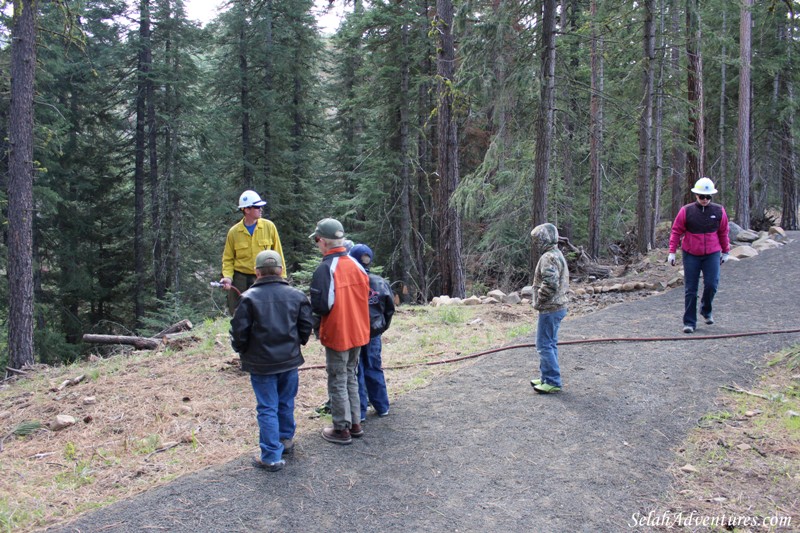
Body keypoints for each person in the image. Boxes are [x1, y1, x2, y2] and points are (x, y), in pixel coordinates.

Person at [230, 250, 313, 472]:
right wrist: (297, 344)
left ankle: (270, 456)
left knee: (267, 407)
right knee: (285, 402)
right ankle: (285, 441)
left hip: (261, 363)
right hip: (289, 360)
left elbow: (239, 332)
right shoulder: (296, 295)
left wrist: (241, 349)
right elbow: (306, 326)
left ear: (257, 272)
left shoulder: (248, 298)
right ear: (281, 270)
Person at [309, 218, 371, 445]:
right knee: (351, 376)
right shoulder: (356, 264)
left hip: (339, 332)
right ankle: (355, 423)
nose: (317, 244)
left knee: (337, 378)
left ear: (324, 242)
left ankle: (341, 428)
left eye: (317, 240)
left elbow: (321, 306)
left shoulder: (326, 269)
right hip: (358, 331)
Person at [668, 177, 731, 334]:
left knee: (711, 284)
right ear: (696, 195)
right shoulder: (686, 211)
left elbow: (723, 232)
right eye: (702, 196)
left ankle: (706, 309)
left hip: (712, 253)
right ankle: (689, 322)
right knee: (691, 289)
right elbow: (676, 231)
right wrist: (672, 252)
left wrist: (726, 251)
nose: (705, 200)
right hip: (691, 254)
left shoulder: (718, 211)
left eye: (708, 197)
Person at [220, 190, 286, 316]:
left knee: (265, 311)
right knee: (239, 313)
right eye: (257, 207)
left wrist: (281, 278)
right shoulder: (234, 232)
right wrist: (228, 277)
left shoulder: (269, 227)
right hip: (240, 279)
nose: (260, 209)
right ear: (246, 210)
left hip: (264, 277)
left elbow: (278, 254)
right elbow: (228, 259)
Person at [349, 244, 395, 421]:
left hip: (355, 333)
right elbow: (389, 310)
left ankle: (360, 412)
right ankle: (382, 406)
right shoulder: (380, 281)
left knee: (357, 369)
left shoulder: (350, 282)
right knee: (374, 366)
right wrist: (380, 328)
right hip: (374, 332)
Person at [529, 223, 570, 394]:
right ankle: (546, 376)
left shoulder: (548, 257)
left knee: (544, 344)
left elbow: (550, 283)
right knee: (549, 343)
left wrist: (539, 300)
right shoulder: (556, 253)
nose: (536, 243)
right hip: (557, 306)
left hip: (550, 308)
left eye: (537, 240)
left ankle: (552, 381)